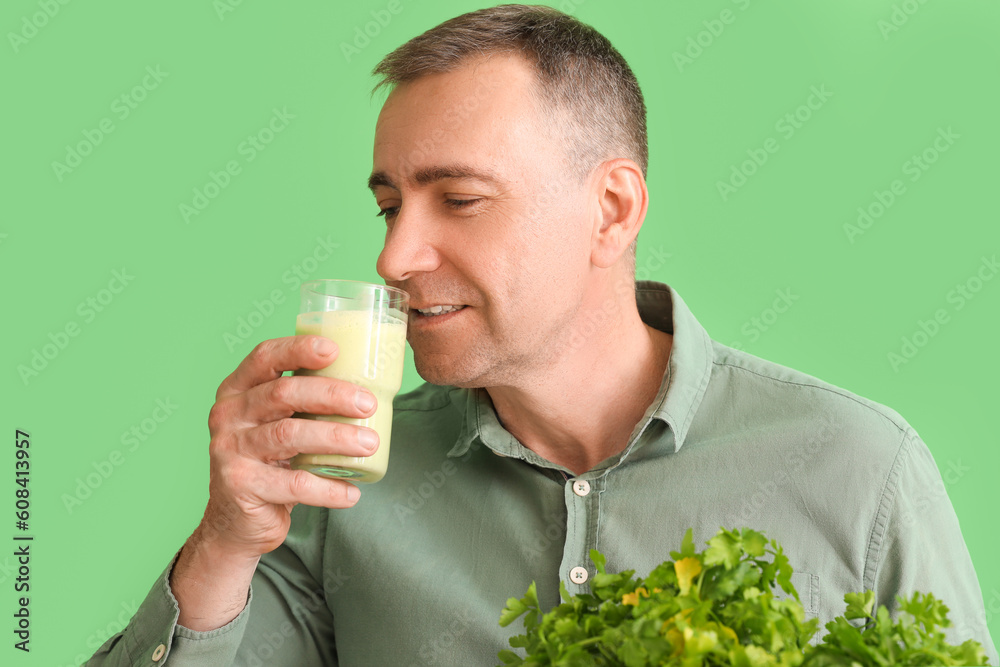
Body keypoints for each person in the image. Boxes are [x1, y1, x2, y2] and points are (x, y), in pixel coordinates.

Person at [89, 5, 997, 665]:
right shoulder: (338, 488)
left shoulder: (858, 470)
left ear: (610, 208)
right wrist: (223, 542)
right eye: (389, 205)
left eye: (459, 200)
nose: (397, 255)